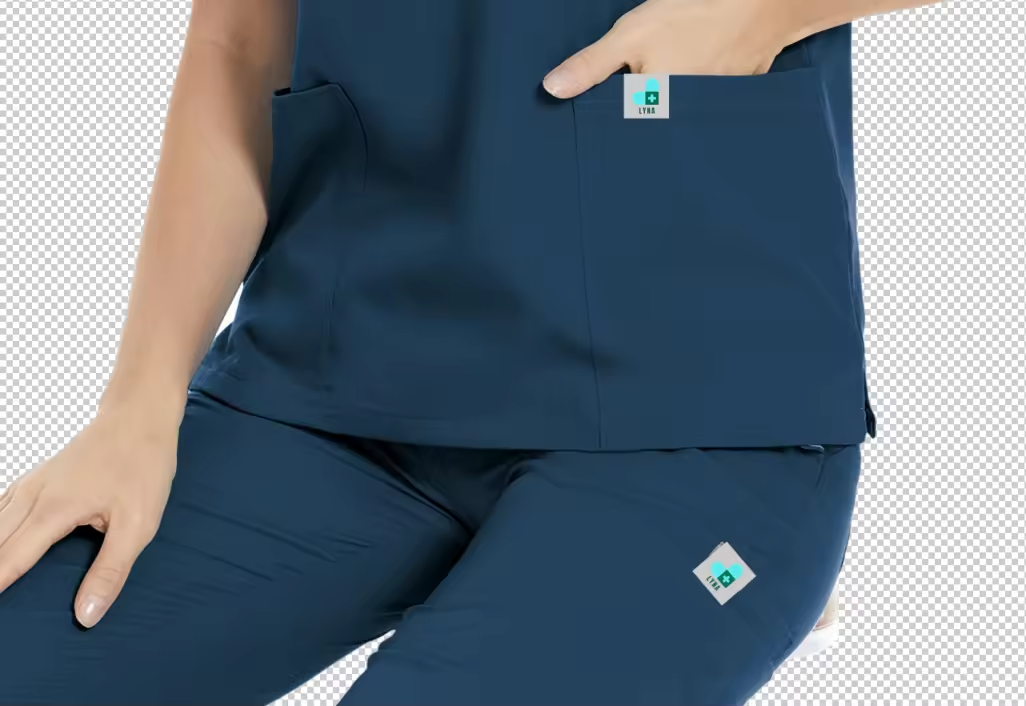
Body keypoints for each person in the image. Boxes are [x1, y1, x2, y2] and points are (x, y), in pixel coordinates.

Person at [0, 0, 933, 704]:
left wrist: (755, 12)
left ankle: (703, 588)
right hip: (333, 385)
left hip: (688, 413)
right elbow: (241, 38)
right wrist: (138, 408)